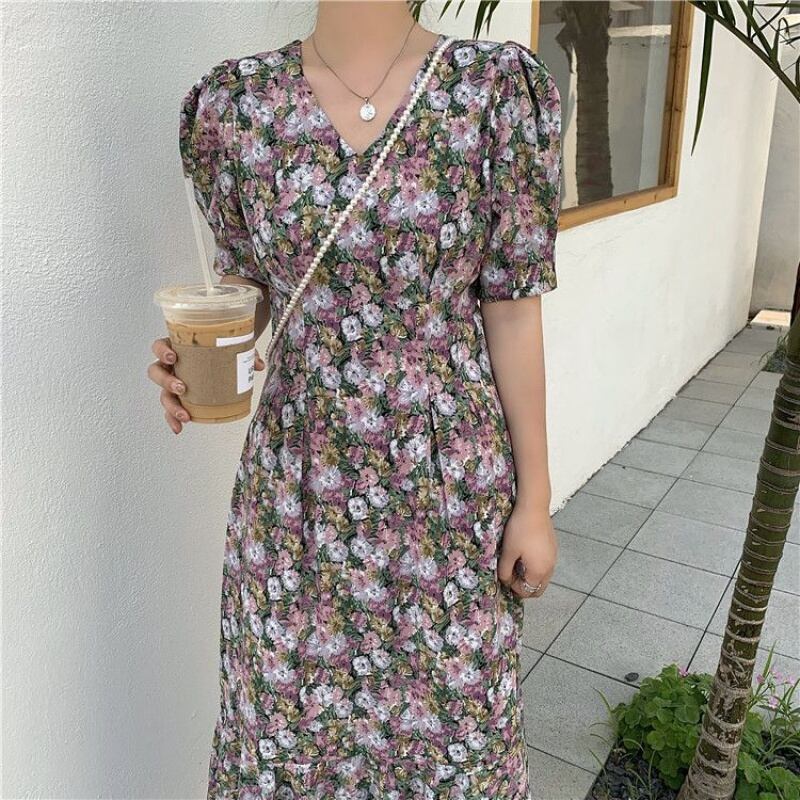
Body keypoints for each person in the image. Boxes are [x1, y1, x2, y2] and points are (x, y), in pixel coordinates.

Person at [148, 1, 562, 797]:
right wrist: (196, 357)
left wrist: (535, 501)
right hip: (296, 495)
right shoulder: (238, 106)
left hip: (448, 494)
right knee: (288, 734)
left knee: (454, 743)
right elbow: (250, 289)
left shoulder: (494, 92)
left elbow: (512, 311)